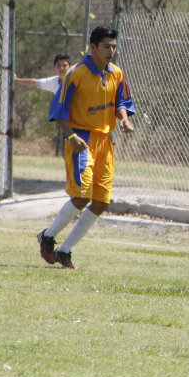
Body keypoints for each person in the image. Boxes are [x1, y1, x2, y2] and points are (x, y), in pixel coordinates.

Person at [36, 27, 135, 269]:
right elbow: (58, 113)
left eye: (113, 46)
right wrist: (71, 137)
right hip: (81, 140)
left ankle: (65, 250)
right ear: (93, 48)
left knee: (101, 202)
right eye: (106, 47)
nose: (111, 51)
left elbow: (121, 101)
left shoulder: (116, 73)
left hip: (105, 142)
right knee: (82, 196)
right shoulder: (76, 74)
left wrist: (123, 118)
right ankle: (47, 236)